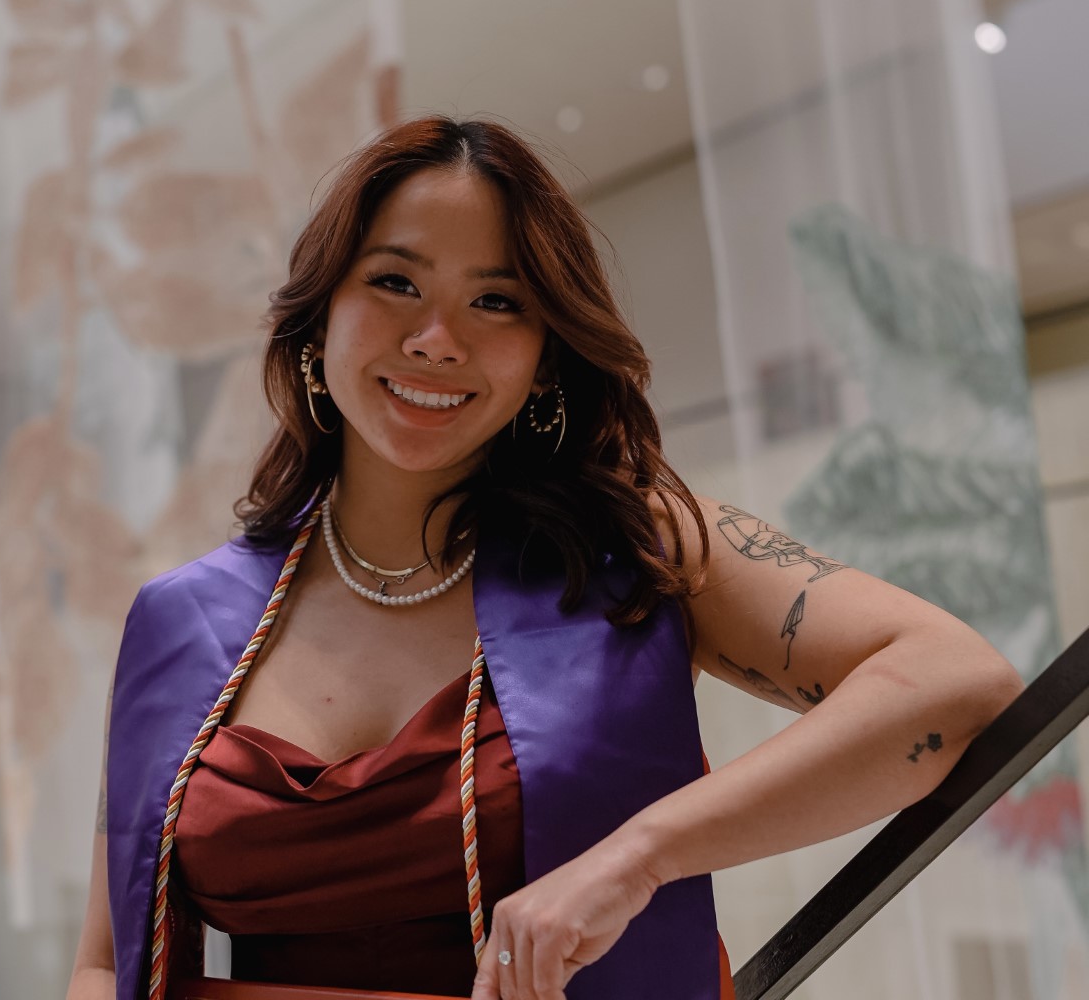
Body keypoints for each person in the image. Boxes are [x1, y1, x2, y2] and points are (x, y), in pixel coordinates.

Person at [66, 116, 1023, 1000]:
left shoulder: (641, 548)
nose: (438, 340)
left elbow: (954, 683)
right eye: (395, 281)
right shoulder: (176, 621)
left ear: (544, 357)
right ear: (320, 319)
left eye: (496, 301)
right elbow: (106, 962)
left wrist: (640, 855)